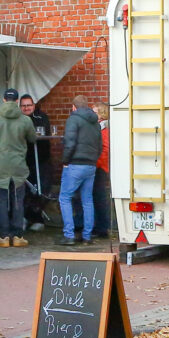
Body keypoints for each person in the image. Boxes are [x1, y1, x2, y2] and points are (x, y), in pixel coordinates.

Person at [0, 89, 34, 247]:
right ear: (17, 101)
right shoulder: (25, 120)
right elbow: (32, 138)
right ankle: (18, 236)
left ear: (4, 100)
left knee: (1, 202)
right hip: (18, 166)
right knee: (18, 201)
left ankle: (4, 237)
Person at [60, 95, 103, 246]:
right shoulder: (96, 123)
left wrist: (65, 161)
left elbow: (69, 142)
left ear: (74, 107)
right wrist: (93, 159)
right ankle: (87, 236)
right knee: (87, 200)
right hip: (90, 165)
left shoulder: (73, 119)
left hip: (75, 164)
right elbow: (100, 146)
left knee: (65, 198)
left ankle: (69, 235)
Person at [19, 93, 53, 230]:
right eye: (24, 106)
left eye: (29, 105)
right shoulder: (17, 119)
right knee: (24, 190)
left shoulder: (42, 117)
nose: (26, 108)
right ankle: (24, 218)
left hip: (41, 158)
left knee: (41, 189)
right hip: (23, 159)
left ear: (34, 105)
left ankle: (37, 218)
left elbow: (44, 134)